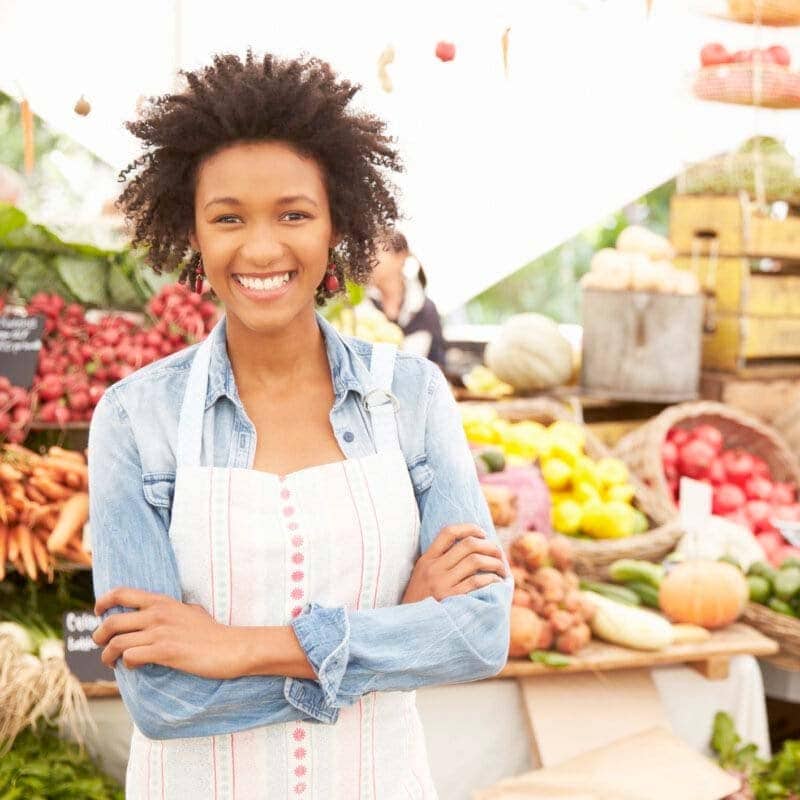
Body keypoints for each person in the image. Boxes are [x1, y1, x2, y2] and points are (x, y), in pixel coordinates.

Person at [88, 52, 511, 799]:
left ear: (336, 226)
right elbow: (164, 701)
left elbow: (478, 635)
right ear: (191, 231)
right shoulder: (135, 418)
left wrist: (235, 648)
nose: (260, 249)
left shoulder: (411, 395)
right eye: (227, 218)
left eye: (293, 214)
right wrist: (401, 628)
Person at [368, 231, 447, 369]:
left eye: (376, 251)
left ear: (401, 257)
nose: (369, 259)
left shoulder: (425, 309)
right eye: (367, 253)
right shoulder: (358, 306)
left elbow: (438, 363)